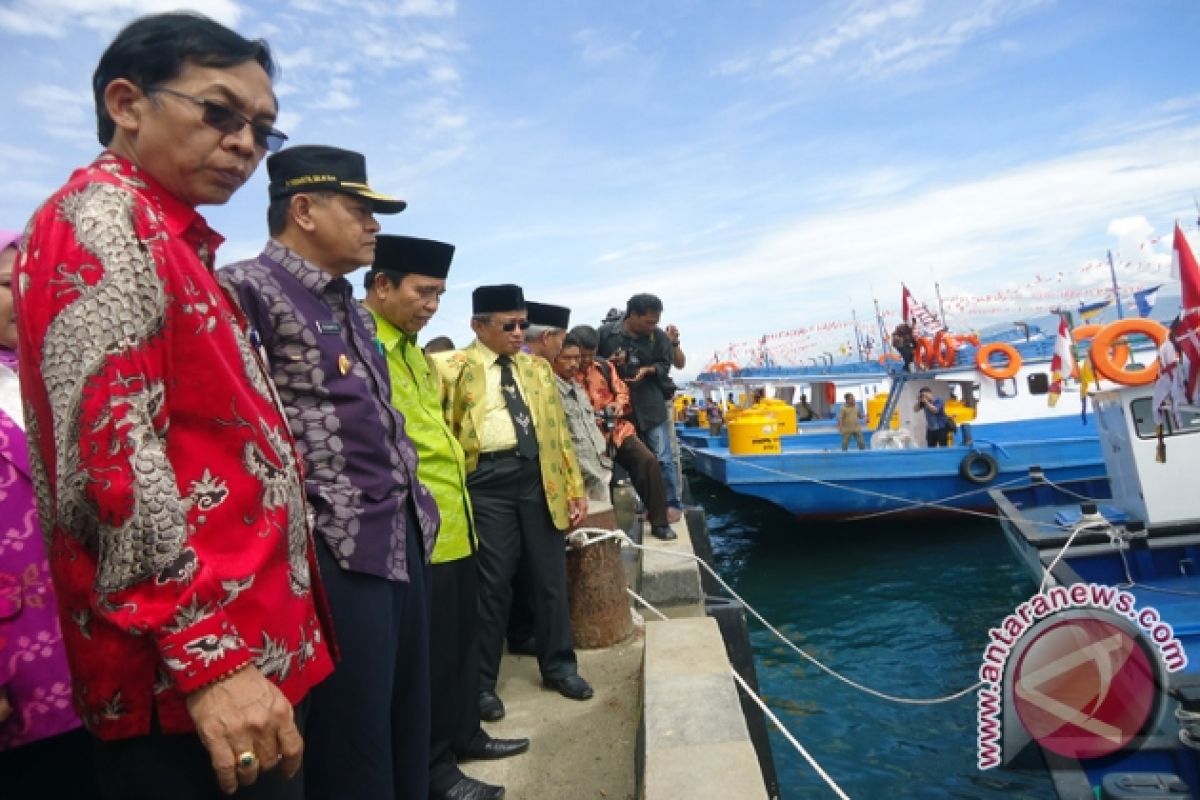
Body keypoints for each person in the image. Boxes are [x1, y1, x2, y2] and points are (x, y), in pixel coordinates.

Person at [13, 13, 334, 799]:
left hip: (243, 661)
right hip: (188, 683)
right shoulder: (100, 220)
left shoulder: (169, 235)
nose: (245, 145)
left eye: (263, 130)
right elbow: (109, 462)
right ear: (127, 103)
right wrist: (211, 659)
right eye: (219, 113)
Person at [220, 146, 440, 800]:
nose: (374, 225)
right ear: (305, 210)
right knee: (355, 739)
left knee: (407, 720)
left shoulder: (347, 303)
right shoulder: (246, 290)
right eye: (360, 209)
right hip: (335, 550)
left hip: (398, 532)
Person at [361, 235, 527, 800]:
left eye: (439, 295)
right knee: (425, 660)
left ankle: (464, 733)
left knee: (461, 642)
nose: (431, 306)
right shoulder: (365, 345)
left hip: (456, 522)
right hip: (413, 529)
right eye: (423, 292)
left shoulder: (412, 349)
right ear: (382, 285)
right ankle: (434, 769)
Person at [433, 285, 592, 725]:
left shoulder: (537, 370)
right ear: (477, 325)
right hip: (485, 480)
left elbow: (557, 431)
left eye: (524, 324)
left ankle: (560, 666)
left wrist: (573, 487)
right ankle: (481, 684)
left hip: (537, 476)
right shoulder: (449, 368)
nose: (520, 332)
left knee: (550, 577)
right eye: (509, 325)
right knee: (491, 584)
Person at [0, 230, 100, 798]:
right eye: (3, 284)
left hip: (84, 647)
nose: (20, 294)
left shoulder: (50, 376)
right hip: (16, 660)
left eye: (26, 281)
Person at [572, 325, 675, 541]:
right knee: (599, 482)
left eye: (591, 354)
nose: (586, 360)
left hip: (616, 430)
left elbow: (622, 391)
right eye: (583, 355)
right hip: (586, 437)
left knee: (647, 461)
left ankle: (659, 522)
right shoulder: (564, 371)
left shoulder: (604, 367)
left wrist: (618, 405)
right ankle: (604, 534)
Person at [596, 294, 684, 522]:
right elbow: (591, 362)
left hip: (651, 404)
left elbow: (667, 364)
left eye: (655, 322)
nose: (653, 327)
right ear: (633, 315)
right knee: (638, 460)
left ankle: (671, 504)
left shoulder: (659, 337)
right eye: (649, 322)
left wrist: (649, 370)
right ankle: (649, 505)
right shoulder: (605, 335)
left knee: (662, 458)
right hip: (621, 409)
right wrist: (610, 363)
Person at [552, 333, 613, 502]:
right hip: (577, 480)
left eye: (577, 358)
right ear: (554, 358)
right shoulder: (549, 392)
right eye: (567, 358)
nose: (574, 363)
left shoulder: (578, 388)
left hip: (599, 470)